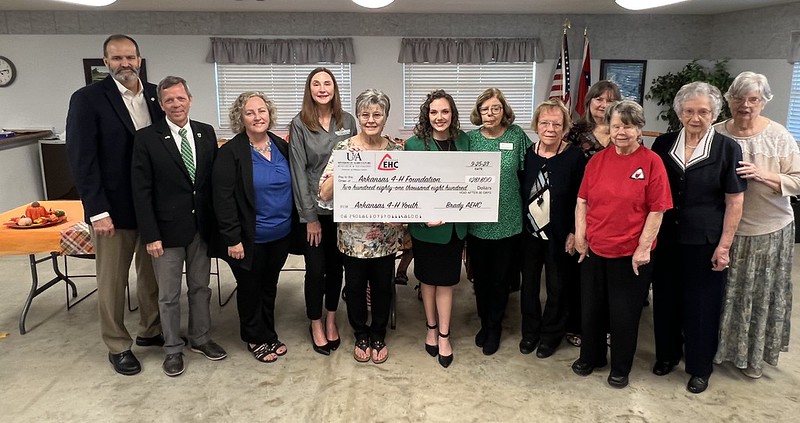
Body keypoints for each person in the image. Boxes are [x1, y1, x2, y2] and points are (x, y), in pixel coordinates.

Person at [65, 34, 164, 376]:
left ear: (139, 59)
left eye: (130, 57)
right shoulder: (88, 99)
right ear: (106, 62)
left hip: (152, 205)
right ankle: (118, 345)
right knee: (112, 281)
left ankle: (152, 330)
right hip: (113, 207)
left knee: (152, 275)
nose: (125, 64)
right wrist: (97, 210)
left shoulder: (155, 95)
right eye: (117, 58)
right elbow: (82, 159)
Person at [651, 81, 745, 394]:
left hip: (705, 242)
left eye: (703, 111)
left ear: (714, 113)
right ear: (679, 113)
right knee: (665, 300)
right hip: (665, 239)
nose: (695, 117)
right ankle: (666, 355)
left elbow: (735, 200)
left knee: (702, 306)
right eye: (689, 111)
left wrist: (724, 246)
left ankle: (699, 367)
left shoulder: (727, 148)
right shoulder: (663, 145)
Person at [131, 76, 227, 377]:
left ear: (190, 99)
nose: (176, 104)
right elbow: (141, 191)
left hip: (200, 229)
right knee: (168, 295)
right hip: (165, 233)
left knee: (201, 288)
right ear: (161, 104)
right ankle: (172, 349)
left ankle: (200, 338)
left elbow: (211, 183)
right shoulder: (147, 138)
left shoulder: (205, 133)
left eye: (180, 98)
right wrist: (151, 235)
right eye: (169, 100)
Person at [572, 100, 672, 389]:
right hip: (594, 249)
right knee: (591, 309)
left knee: (623, 313)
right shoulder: (597, 160)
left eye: (627, 126)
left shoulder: (652, 162)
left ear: (639, 128)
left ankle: (620, 367)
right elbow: (582, 201)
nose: (621, 132)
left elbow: (658, 209)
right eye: (616, 126)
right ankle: (591, 357)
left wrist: (643, 248)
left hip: (630, 254)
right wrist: (581, 236)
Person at [713, 71, 800, 378]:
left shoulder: (778, 136)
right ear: (729, 100)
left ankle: (752, 358)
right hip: (725, 230)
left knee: (757, 295)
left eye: (753, 99)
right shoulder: (716, 133)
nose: (745, 105)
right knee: (722, 293)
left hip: (767, 230)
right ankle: (717, 348)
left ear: (764, 102)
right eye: (738, 98)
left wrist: (765, 176)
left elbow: (798, 181)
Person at [319, 89, 405, 364]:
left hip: (386, 236)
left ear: (385, 117)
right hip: (352, 236)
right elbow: (324, 193)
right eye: (365, 114)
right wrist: (346, 167)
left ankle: (378, 333)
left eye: (377, 114)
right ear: (357, 116)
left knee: (382, 286)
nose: (371, 120)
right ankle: (361, 333)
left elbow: (407, 191)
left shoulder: (396, 150)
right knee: (354, 287)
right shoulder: (343, 149)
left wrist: (403, 216)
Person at [212, 92, 294, 363]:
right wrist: (232, 239)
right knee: (249, 287)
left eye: (262, 111)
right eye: (250, 112)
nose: (258, 117)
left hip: (280, 234)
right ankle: (254, 337)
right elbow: (222, 200)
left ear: (269, 114)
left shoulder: (281, 146)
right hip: (248, 238)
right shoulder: (230, 152)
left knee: (269, 285)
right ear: (241, 118)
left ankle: (268, 332)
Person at [289, 68, 357, 356]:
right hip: (315, 212)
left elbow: (358, 162)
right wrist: (310, 218)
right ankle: (315, 322)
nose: (322, 88)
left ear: (334, 88)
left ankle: (331, 318)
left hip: (344, 213)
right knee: (315, 271)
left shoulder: (348, 121)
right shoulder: (300, 123)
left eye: (327, 83)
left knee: (336, 268)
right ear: (309, 89)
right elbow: (299, 173)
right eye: (316, 84)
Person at [404, 90, 470, 368]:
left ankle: (444, 334)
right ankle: (431, 328)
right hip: (426, 228)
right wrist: (420, 218)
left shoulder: (465, 141)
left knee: (447, 282)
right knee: (427, 280)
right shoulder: (414, 145)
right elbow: (407, 188)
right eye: (434, 112)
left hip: (454, 228)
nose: (439, 117)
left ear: (452, 114)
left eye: (444, 112)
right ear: (426, 115)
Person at [466, 88, 532, 356]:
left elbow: (530, 170)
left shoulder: (516, 136)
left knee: (501, 279)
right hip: (477, 222)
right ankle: (484, 321)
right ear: (478, 112)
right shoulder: (469, 139)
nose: (490, 113)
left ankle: (494, 327)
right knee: (480, 279)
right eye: (485, 109)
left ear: (504, 110)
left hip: (508, 219)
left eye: (495, 108)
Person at [519, 99, 586, 359]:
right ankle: (530, 332)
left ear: (565, 127)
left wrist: (574, 230)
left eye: (556, 124)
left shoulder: (574, 156)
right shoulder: (528, 153)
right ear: (536, 125)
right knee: (530, 286)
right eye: (545, 123)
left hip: (559, 234)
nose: (550, 128)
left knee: (558, 286)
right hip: (529, 233)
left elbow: (582, 197)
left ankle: (551, 335)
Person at [568, 80, 622, 158]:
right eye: (599, 99)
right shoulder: (575, 131)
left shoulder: (626, 131)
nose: (604, 105)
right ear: (589, 101)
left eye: (610, 101)